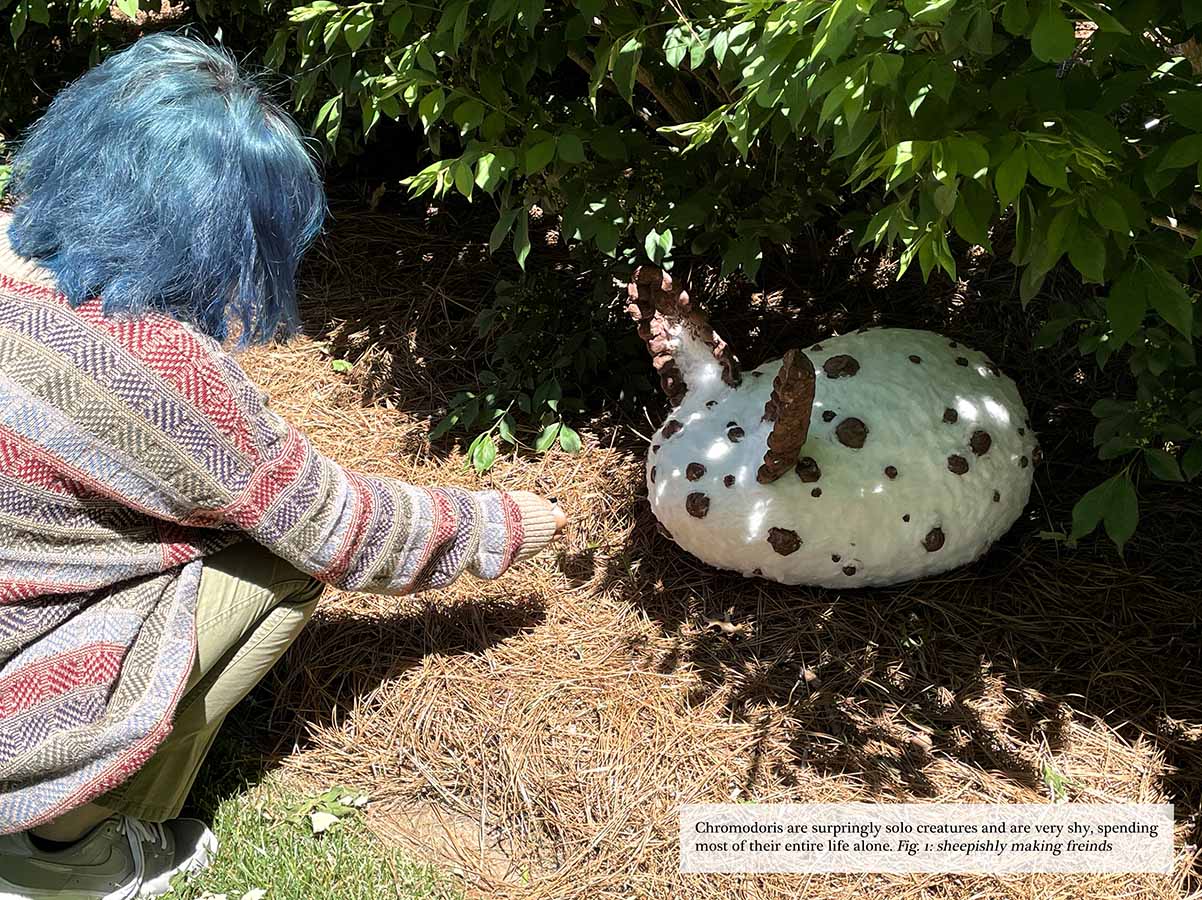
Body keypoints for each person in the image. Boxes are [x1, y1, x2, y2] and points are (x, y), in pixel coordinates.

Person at [0, 33, 566, 899]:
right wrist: (508, 522)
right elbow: (343, 529)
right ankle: (69, 846)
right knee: (280, 566)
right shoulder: (158, 369)